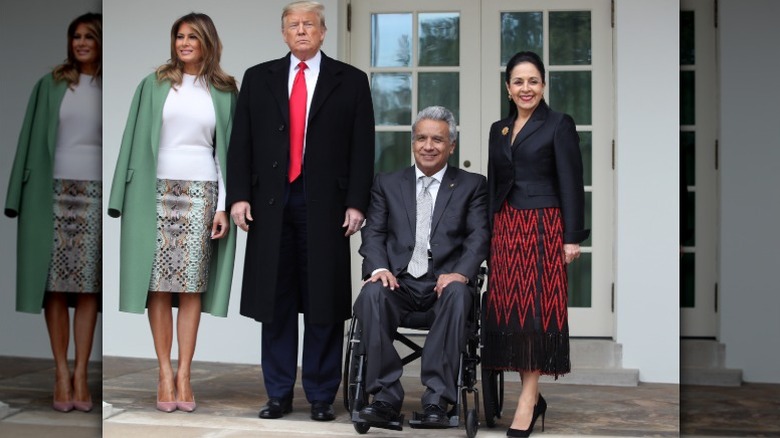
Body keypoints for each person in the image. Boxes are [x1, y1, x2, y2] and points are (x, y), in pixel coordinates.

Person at [227, 0, 375, 422]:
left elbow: (363, 147)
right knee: (274, 301)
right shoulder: (259, 78)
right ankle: (277, 394)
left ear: (324, 32)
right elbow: (242, 144)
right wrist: (239, 195)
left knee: (323, 303)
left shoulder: (351, 81)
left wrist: (356, 202)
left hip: (326, 205)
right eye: (293, 25)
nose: (302, 30)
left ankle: (322, 396)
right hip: (270, 205)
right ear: (284, 33)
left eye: (309, 24)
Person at [107, 12, 237, 413]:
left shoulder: (225, 89)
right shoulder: (154, 84)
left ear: (207, 43)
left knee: (191, 285)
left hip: (202, 193)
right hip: (153, 191)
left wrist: (223, 206)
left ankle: (185, 373)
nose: (183, 43)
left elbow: (227, 152)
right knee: (158, 284)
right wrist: (121, 196)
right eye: (179, 36)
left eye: (192, 37)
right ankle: (163, 371)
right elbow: (131, 139)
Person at [354, 106, 490, 427]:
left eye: (438, 140)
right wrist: (378, 269)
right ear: (412, 142)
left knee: (459, 292)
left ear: (452, 146)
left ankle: (437, 401)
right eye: (421, 138)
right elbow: (372, 232)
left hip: (445, 285)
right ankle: (385, 397)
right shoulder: (387, 183)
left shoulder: (472, 185)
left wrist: (461, 273)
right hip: (399, 284)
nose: (428, 146)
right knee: (371, 293)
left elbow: (479, 236)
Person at [482, 51, 589, 437]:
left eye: (533, 81)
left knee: (536, 314)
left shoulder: (559, 124)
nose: (526, 88)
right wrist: (488, 231)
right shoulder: (499, 129)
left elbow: (571, 183)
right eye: (518, 82)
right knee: (510, 313)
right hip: (506, 230)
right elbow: (495, 185)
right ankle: (530, 395)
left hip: (544, 227)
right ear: (508, 88)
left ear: (543, 85)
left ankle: (528, 400)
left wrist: (572, 237)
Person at [4, 12, 102, 413]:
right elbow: (28, 139)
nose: (80, 43)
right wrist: (15, 197)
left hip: (94, 195)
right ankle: (61, 372)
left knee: (88, 286)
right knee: (55, 286)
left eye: (89, 37)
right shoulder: (50, 85)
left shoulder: (110, 87)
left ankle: (81, 373)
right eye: (75, 36)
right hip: (51, 193)